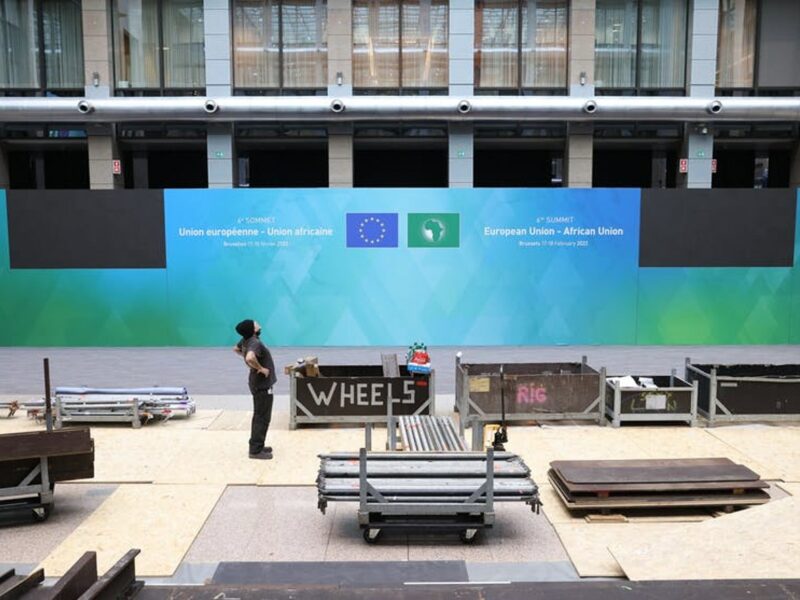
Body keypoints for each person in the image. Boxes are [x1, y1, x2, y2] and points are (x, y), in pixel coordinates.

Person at [233, 319, 277, 460]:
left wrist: (247, 359)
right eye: (256, 323)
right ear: (252, 329)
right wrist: (260, 368)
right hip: (261, 385)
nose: (259, 324)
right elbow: (250, 357)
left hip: (256, 383)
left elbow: (236, 349)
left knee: (261, 415)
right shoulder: (254, 342)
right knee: (262, 417)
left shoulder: (246, 340)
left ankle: (258, 444)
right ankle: (255, 450)